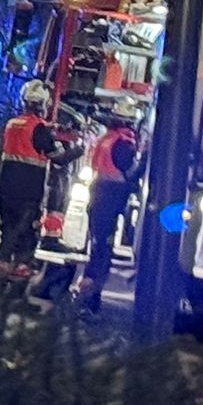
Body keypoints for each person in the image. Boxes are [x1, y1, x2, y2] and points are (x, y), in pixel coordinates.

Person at [76, 95, 146, 312]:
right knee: (101, 255)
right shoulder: (123, 144)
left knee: (97, 249)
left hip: (99, 196)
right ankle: (88, 301)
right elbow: (129, 174)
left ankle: (86, 298)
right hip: (109, 200)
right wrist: (144, 162)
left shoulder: (107, 138)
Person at [0, 80, 65, 281]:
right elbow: (57, 157)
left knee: (8, 229)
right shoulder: (39, 128)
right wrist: (79, 149)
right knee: (24, 233)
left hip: (5, 187)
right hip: (28, 191)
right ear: (43, 104)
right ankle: (16, 270)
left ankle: (2, 267)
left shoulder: (12, 124)